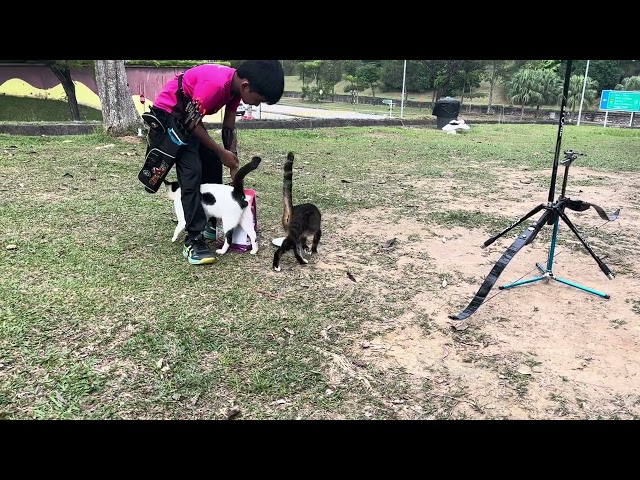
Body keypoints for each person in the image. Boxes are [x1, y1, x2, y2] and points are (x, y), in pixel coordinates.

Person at [148, 60, 284, 265]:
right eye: (259, 100)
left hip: (188, 118)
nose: (256, 105)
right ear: (247, 86)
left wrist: (231, 158)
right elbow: (191, 124)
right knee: (191, 170)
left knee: (212, 161)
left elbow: (228, 125)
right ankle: (193, 239)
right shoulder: (215, 85)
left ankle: (209, 221)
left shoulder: (235, 88)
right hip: (168, 114)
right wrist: (221, 152)